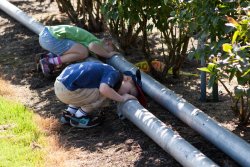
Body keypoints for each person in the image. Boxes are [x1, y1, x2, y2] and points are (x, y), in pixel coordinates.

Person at [54, 61, 147, 128]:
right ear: (127, 78)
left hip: (61, 85)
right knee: (105, 94)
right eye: (129, 92)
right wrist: (122, 99)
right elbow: (103, 89)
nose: (125, 94)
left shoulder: (107, 69)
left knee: (89, 90)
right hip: (68, 89)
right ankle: (78, 118)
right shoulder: (114, 73)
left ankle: (69, 113)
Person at [38, 25, 119, 76]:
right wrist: (107, 55)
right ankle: (50, 62)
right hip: (51, 38)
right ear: (108, 43)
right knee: (83, 52)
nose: (111, 52)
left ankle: (49, 56)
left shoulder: (90, 39)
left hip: (46, 35)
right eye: (112, 49)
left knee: (76, 48)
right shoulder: (96, 42)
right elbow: (92, 46)